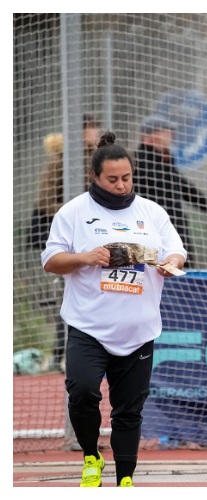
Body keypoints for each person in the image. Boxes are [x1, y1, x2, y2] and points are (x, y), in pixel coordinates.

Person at [41, 131, 187, 487]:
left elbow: (177, 251)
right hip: (88, 326)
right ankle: (92, 455)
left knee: (129, 410)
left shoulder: (151, 212)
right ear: (95, 177)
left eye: (126, 178)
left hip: (138, 329)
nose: (121, 185)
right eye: (112, 179)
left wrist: (170, 262)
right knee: (83, 391)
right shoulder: (73, 212)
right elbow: (51, 260)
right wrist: (84, 257)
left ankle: (125, 480)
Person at [30, 114, 101, 372]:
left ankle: (84, 350)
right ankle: (62, 352)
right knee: (66, 296)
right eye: (90, 127)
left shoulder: (96, 159)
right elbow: (44, 201)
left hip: (86, 238)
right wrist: (73, 211)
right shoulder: (61, 160)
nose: (95, 131)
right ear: (79, 131)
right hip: (60, 240)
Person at [134, 114, 207, 268]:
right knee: (158, 272)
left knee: (183, 271)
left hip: (175, 229)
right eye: (166, 131)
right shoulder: (140, 163)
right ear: (150, 136)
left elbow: (186, 189)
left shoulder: (166, 161)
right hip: (154, 233)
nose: (171, 135)